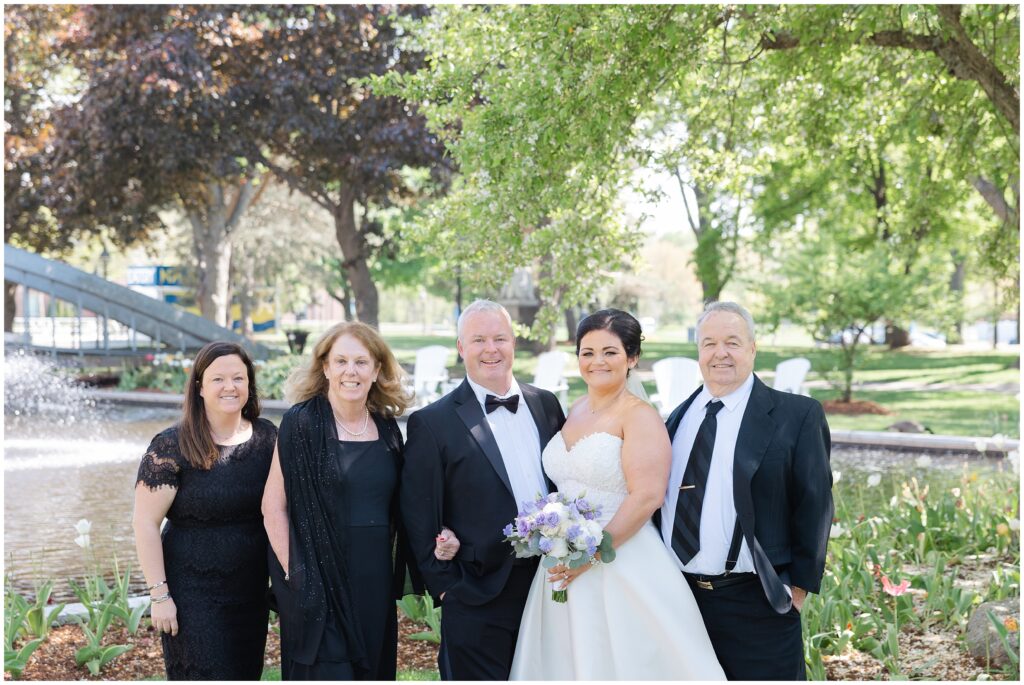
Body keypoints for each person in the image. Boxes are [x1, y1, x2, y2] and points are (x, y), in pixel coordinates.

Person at [503, 309, 725, 679]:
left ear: (632, 358)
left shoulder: (639, 416)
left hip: (621, 557)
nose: (597, 362)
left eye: (610, 351)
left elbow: (647, 496)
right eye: (587, 352)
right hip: (562, 559)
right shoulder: (574, 410)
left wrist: (590, 555)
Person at [658, 301, 833, 680]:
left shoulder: (797, 415)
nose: (720, 353)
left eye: (733, 342)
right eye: (709, 343)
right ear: (698, 352)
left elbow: (815, 505)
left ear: (753, 348)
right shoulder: (675, 419)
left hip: (758, 602)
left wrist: (796, 592)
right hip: (681, 602)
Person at [401, 300, 565, 681]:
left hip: (548, 583)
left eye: (500, 338)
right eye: (478, 340)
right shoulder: (432, 422)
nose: (491, 349)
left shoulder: (546, 404)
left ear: (513, 344)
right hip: (477, 591)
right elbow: (418, 513)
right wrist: (447, 589)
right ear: (461, 348)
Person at [262, 322, 416, 680]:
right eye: (341, 361)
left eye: (361, 362)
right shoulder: (301, 424)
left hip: (374, 581)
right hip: (316, 578)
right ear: (326, 367)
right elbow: (273, 507)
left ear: (377, 370)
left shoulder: (388, 429)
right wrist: (296, 574)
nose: (351, 371)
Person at [133, 341, 276, 680]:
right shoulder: (172, 445)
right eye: (218, 379)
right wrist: (159, 595)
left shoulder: (268, 437)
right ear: (199, 387)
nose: (230, 387)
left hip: (249, 591)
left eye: (239, 378)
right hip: (191, 595)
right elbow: (145, 523)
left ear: (249, 384)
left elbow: (280, 509)